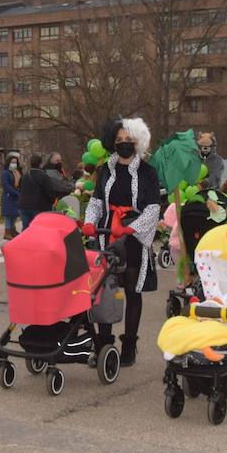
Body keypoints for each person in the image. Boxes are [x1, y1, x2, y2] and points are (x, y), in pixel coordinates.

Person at [82, 116, 161, 368]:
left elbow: (152, 209)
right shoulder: (105, 169)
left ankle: (129, 346)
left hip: (133, 239)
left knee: (131, 291)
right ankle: (104, 344)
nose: (124, 143)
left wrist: (129, 228)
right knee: (104, 290)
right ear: (111, 142)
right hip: (106, 235)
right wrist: (89, 222)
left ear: (138, 142)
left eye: (129, 140)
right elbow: (96, 201)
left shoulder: (148, 172)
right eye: (119, 140)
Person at [0, 152, 22, 241]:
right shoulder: (5, 173)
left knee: (14, 215)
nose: (14, 164)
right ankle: (7, 233)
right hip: (8, 197)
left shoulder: (16, 172)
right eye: (12, 162)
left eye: (15, 162)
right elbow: (6, 185)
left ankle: (13, 230)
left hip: (15, 197)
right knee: (8, 216)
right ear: (8, 162)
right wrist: (16, 193)